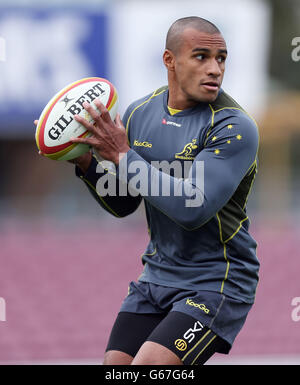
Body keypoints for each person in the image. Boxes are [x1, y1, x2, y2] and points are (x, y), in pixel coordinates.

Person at [38, 16, 260, 365]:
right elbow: (126, 202)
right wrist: (86, 164)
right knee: (117, 368)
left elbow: (193, 207)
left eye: (221, 58)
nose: (215, 68)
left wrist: (124, 156)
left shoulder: (233, 125)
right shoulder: (139, 113)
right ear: (169, 60)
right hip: (156, 276)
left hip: (216, 282)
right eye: (201, 56)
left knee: (150, 368)